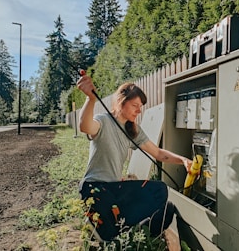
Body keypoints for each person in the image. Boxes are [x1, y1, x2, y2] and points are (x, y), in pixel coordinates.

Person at [77, 74, 192, 242]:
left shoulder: (133, 130)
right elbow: (84, 126)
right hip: (94, 189)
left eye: (141, 106)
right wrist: (91, 99)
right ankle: (109, 232)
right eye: (135, 105)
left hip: (115, 189)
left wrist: (182, 160)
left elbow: (158, 153)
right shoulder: (103, 121)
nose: (139, 110)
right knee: (108, 232)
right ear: (121, 102)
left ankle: (119, 231)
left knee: (159, 191)